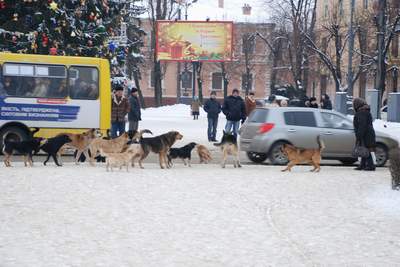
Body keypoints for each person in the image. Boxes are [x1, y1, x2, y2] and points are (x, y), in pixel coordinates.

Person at [353, 98, 376, 171]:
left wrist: (359, 135)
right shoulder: (365, 111)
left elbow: (362, 125)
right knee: (364, 149)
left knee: (366, 150)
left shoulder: (362, 112)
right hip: (368, 133)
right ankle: (362, 165)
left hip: (365, 134)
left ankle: (371, 166)